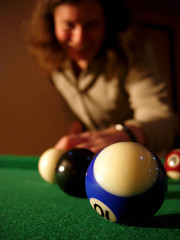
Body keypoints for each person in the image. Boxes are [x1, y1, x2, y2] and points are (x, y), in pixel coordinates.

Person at [25, 0, 178, 156]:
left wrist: (124, 133)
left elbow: (162, 120)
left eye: (91, 25)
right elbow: (71, 110)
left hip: (142, 162)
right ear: (52, 24)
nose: (79, 38)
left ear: (107, 22)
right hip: (98, 164)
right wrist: (77, 125)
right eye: (69, 25)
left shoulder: (132, 51)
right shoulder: (55, 63)